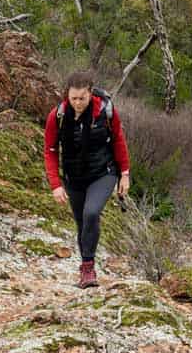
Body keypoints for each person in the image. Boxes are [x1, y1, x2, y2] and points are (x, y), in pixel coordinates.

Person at [44, 70, 131, 288]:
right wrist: (55, 184)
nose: (78, 102)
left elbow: (118, 140)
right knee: (82, 223)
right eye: (73, 98)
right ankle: (85, 268)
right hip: (74, 176)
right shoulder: (58, 115)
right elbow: (51, 150)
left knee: (91, 213)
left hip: (104, 172)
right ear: (67, 95)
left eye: (82, 98)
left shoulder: (106, 111)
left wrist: (125, 174)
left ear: (90, 93)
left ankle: (89, 268)